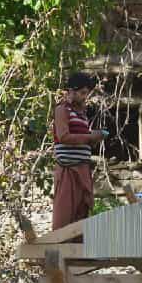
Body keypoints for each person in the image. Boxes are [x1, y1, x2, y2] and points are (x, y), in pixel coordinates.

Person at [52, 72, 105, 230]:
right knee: (64, 215)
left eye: (86, 94)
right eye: (82, 93)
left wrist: (95, 138)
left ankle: (77, 253)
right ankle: (60, 250)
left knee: (81, 214)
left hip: (82, 169)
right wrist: (90, 136)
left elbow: (81, 138)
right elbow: (63, 136)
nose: (84, 97)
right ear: (72, 91)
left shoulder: (82, 114)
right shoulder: (62, 110)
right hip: (68, 170)